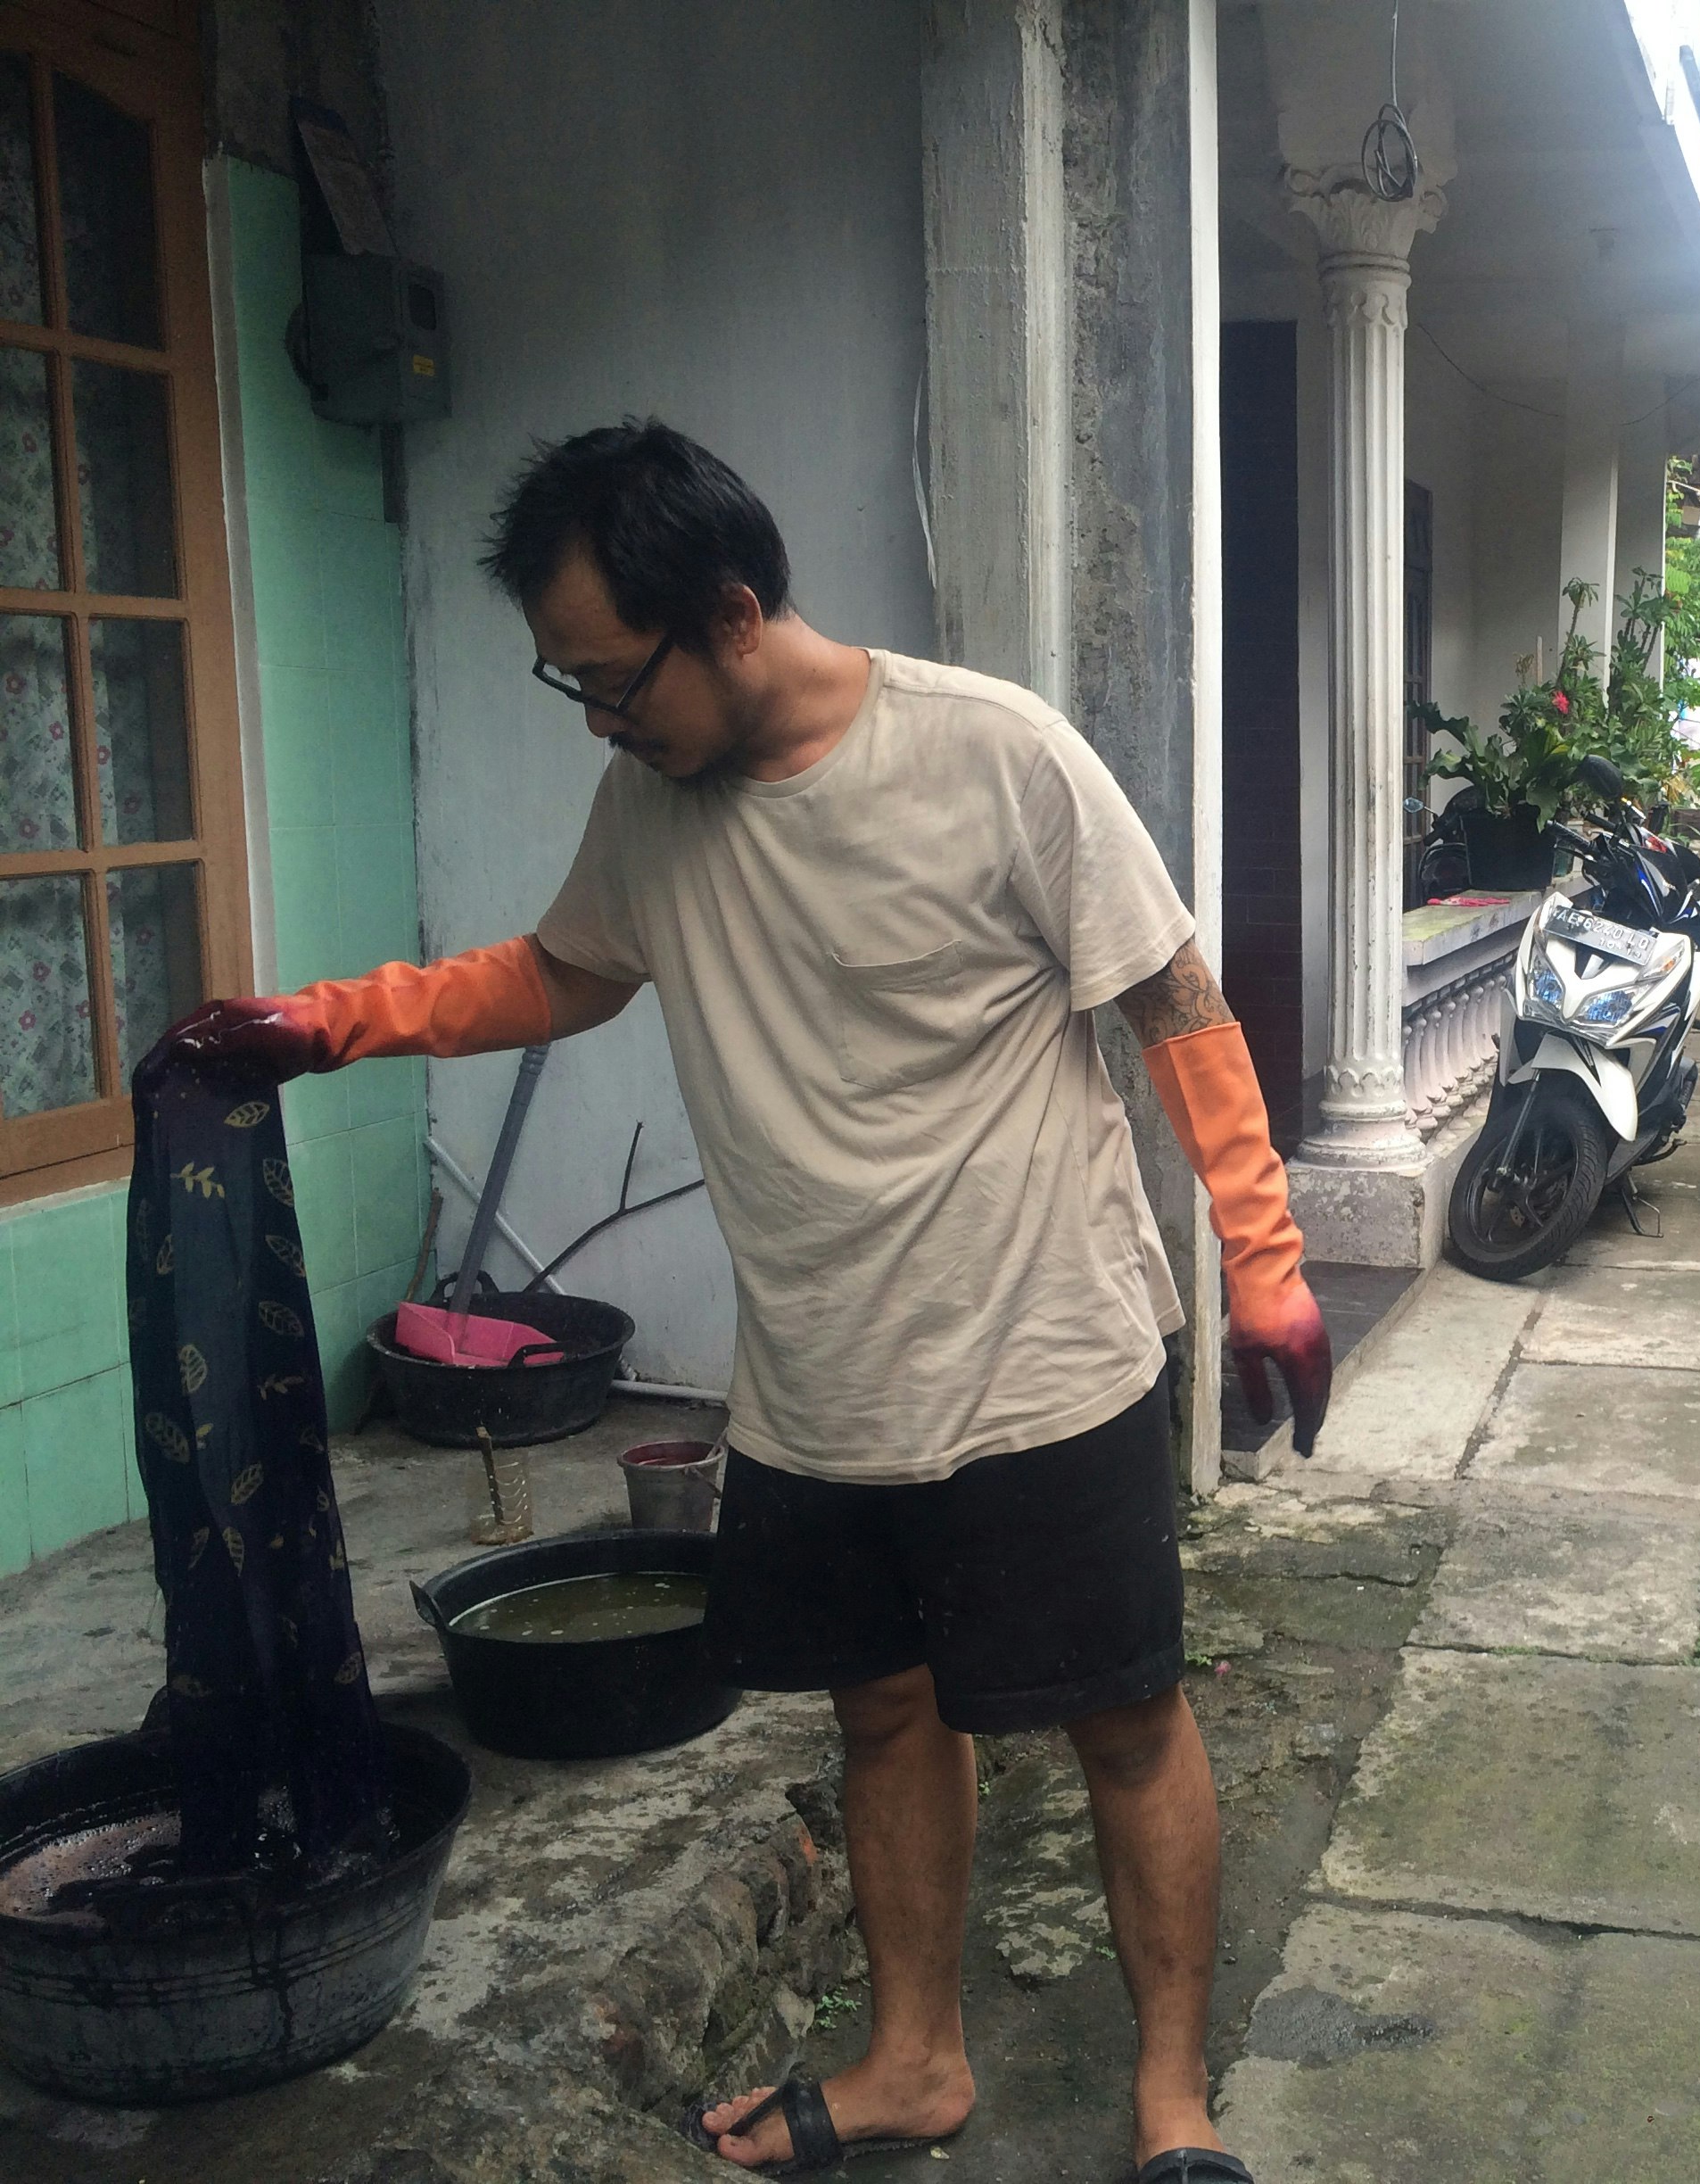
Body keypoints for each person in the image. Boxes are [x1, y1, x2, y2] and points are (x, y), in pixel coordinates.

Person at [153, 422, 1325, 2184]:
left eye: (612, 680)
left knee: (1125, 1719)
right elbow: (557, 974)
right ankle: (914, 2063)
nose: (597, 722)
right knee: (880, 1710)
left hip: (1042, 1359)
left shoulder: (993, 754)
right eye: (570, 685)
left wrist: (1270, 1268)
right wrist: (323, 1025)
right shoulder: (649, 802)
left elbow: (1173, 997)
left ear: (733, 612)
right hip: (817, 1382)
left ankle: (1171, 2104)